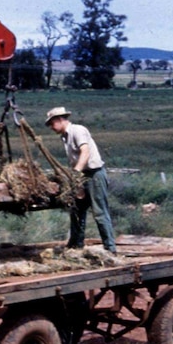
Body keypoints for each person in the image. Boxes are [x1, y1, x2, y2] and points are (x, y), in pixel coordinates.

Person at [44, 106, 117, 253]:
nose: (51, 127)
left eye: (52, 124)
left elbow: (85, 152)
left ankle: (110, 248)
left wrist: (76, 173)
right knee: (76, 209)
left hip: (93, 174)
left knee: (99, 212)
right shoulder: (64, 137)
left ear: (59, 120)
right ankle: (76, 244)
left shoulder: (77, 130)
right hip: (81, 176)